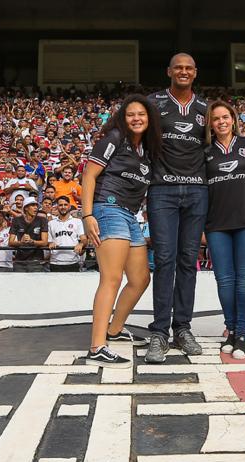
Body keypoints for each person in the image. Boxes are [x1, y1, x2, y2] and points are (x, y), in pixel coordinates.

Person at [80, 94, 159, 367]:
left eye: (142, 114)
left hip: (130, 215)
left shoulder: (146, 152)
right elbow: (89, 175)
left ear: (149, 119)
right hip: (106, 209)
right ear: (123, 119)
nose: (136, 118)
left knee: (140, 279)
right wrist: (87, 214)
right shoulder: (114, 138)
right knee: (111, 279)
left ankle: (113, 331)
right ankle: (97, 347)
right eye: (131, 114)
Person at [145, 52, 208, 363]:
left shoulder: (206, 108)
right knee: (165, 260)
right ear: (169, 70)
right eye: (178, 67)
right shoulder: (153, 103)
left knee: (187, 261)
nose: (183, 72)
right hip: (162, 190)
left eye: (188, 68)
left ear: (195, 73)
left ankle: (182, 327)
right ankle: (159, 331)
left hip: (197, 190)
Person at [203, 99, 245, 359]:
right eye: (216, 118)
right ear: (210, 124)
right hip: (216, 224)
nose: (221, 122)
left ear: (234, 119)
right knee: (224, 280)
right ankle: (230, 329)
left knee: (244, 279)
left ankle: (243, 334)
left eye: (225, 117)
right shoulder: (205, 152)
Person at [46, 195, 86, 272]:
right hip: (55, 262)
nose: (63, 207)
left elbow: (84, 239)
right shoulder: (51, 223)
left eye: (65, 205)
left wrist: (81, 244)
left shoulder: (77, 221)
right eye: (60, 205)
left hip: (73, 261)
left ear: (69, 206)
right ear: (57, 207)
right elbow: (48, 240)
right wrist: (50, 243)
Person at [9, 197, 48, 272]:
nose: (36, 208)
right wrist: (21, 242)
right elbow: (10, 242)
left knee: (35, 283)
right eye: (33, 205)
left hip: (36, 260)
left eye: (36, 206)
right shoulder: (16, 220)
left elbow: (44, 242)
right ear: (26, 208)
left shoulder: (42, 220)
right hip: (19, 261)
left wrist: (31, 241)